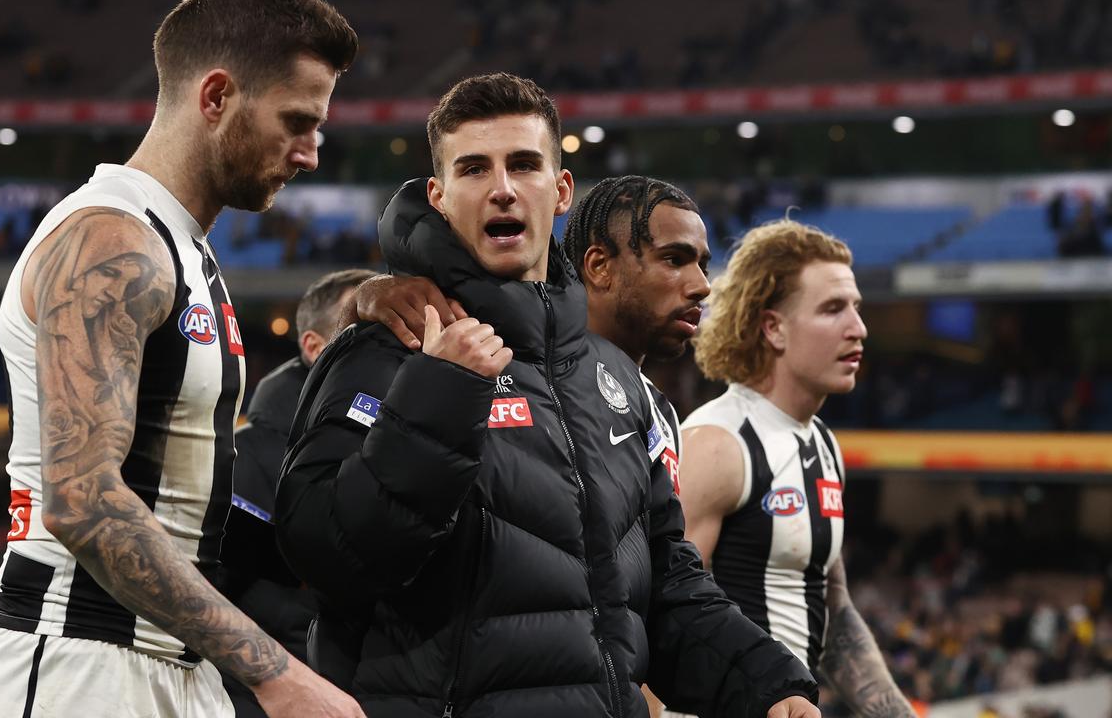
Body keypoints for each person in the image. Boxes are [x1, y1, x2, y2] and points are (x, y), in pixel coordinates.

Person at [276, 72, 818, 718]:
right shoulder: (385, 350)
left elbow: (664, 583)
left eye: (524, 165)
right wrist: (438, 399)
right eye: (475, 169)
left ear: (561, 190)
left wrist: (768, 684)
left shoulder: (614, 379)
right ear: (440, 196)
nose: (503, 189)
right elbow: (321, 556)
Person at [0, 0, 364, 717]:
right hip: (75, 664)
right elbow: (82, 500)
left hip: (164, 665)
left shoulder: (182, 248)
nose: (310, 152)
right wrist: (278, 673)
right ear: (216, 97)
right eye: (297, 122)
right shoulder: (112, 239)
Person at [679, 220, 916, 717]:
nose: (858, 328)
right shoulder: (717, 444)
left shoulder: (823, 443)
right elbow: (664, 612)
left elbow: (835, 610)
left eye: (856, 307)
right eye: (833, 309)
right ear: (773, 327)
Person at [221, 268, 377, 716]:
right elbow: (202, 599)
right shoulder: (245, 460)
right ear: (313, 347)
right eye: (363, 331)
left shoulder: (401, 450)